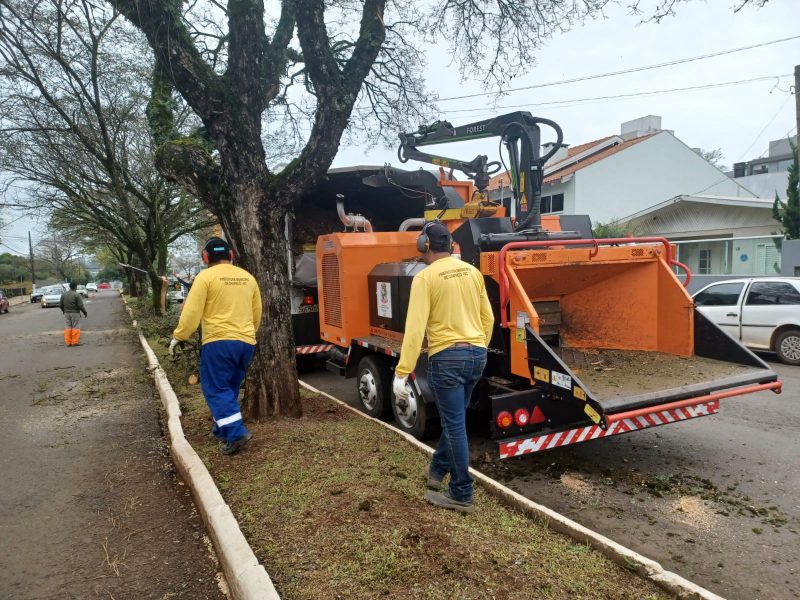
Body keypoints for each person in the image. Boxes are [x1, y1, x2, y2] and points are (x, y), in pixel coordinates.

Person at [393, 221, 494, 514]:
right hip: (477, 355)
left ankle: (461, 493)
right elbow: (487, 319)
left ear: (424, 244)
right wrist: (478, 348)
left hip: (447, 359)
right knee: (456, 419)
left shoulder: (425, 279)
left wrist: (403, 372)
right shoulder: (473, 272)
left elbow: (414, 331)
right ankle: (436, 471)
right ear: (450, 245)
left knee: (455, 425)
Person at [169, 237, 262, 455]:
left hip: (218, 342)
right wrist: (248, 334)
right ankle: (222, 429)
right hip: (246, 342)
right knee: (229, 387)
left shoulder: (205, 278)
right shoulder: (248, 278)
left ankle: (236, 433)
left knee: (215, 388)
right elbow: (256, 314)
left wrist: (178, 337)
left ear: (206, 257)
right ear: (230, 255)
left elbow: (191, 315)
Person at [59, 282, 88, 347]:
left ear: (69, 286)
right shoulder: (77, 295)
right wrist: (84, 312)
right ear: (75, 287)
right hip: (75, 313)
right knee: (75, 327)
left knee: (68, 327)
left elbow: (60, 305)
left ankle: (68, 342)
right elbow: (80, 306)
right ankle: (74, 342)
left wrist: (64, 311)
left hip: (66, 313)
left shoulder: (64, 295)